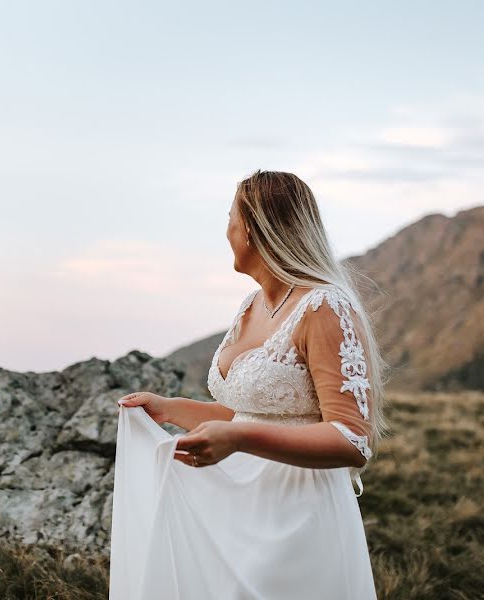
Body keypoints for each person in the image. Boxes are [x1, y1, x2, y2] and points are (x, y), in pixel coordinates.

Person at [109, 170, 389, 599]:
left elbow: (352, 438)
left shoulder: (324, 306)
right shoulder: (250, 306)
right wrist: (171, 409)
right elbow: (254, 412)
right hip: (236, 510)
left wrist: (239, 437)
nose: (226, 232)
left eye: (230, 219)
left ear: (255, 230)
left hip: (297, 514)